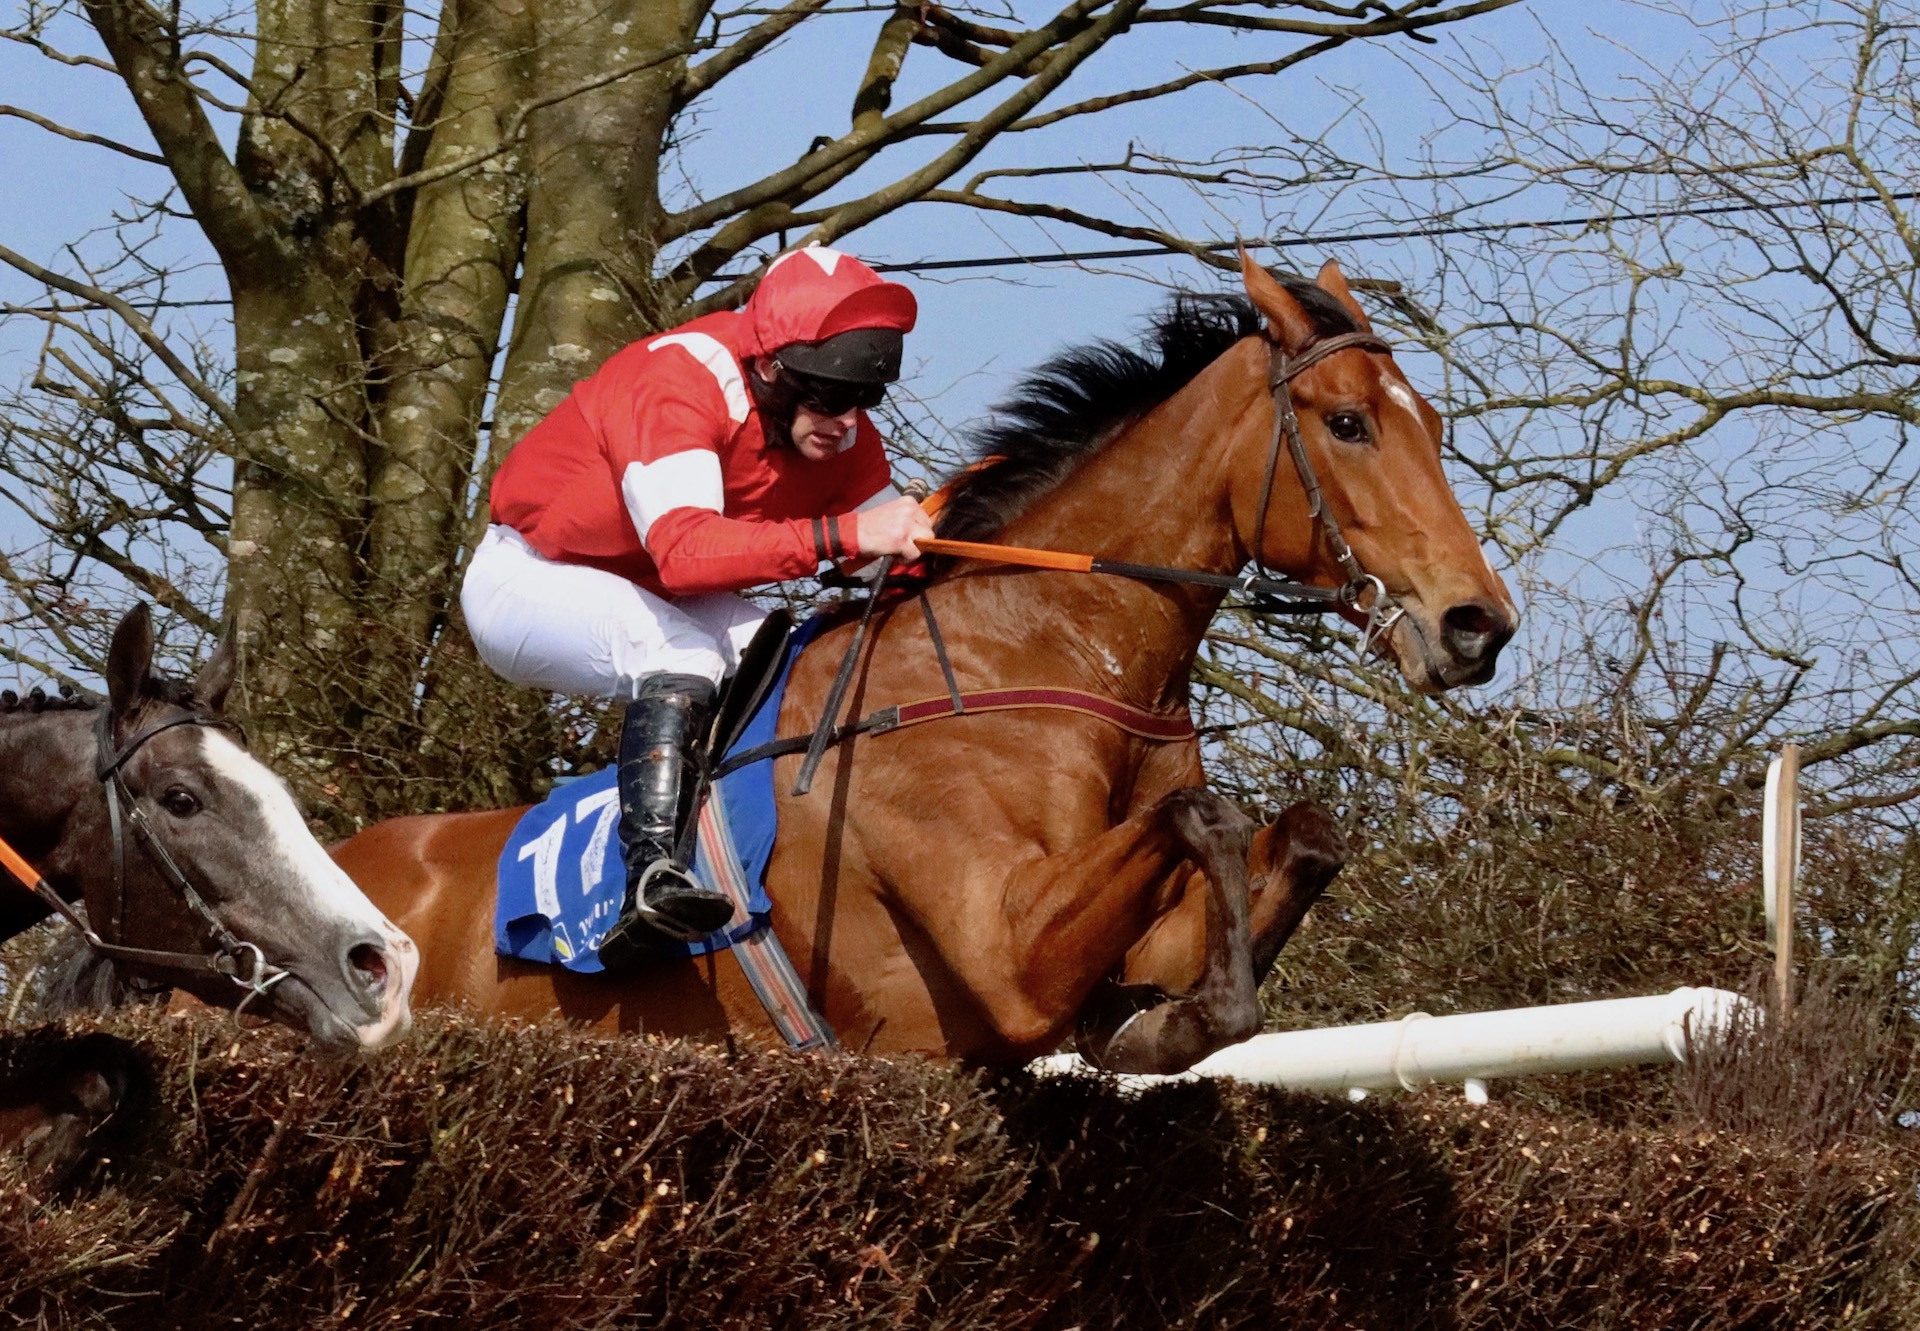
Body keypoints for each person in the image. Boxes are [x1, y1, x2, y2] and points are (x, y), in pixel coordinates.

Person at [462, 244, 935, 963]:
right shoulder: (680, 378)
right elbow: (685, 556)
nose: (845, 421)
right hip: (530, 579)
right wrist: (846, 534)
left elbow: (890, 563)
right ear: (770, 367)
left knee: (788, 661)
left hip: (656, 592)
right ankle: (652, 876)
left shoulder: (842, 433)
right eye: (826, 393)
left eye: (864, 398)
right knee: (681, 654)